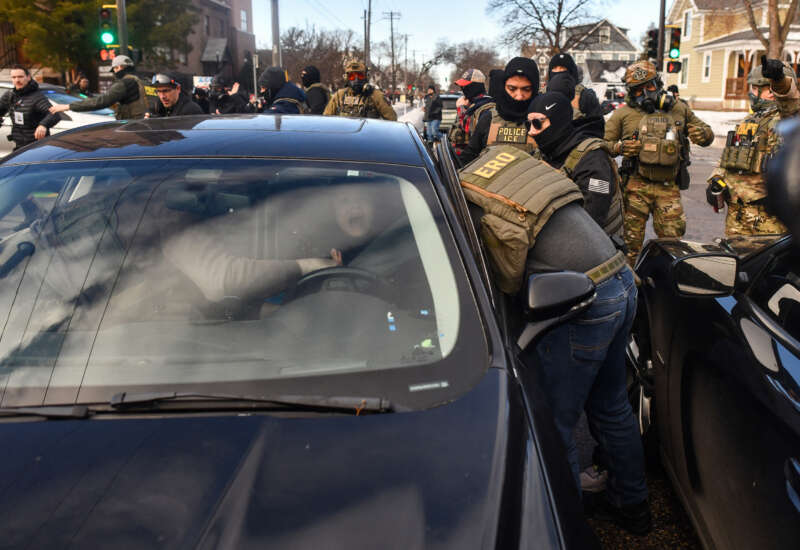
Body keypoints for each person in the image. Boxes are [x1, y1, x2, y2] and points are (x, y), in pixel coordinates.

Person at [459, 144, 650, 535]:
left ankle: (563, 528)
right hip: (620, 277)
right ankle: (634, 507)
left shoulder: (469, 197)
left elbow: (508, 274)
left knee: (554, 423)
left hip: (585, 299)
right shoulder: (505, 162)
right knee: (612, 404)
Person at [604, 60, 714, 265]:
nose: (646, 94)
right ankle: (631, 289)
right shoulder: (623, 114)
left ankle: (666, 285)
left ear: (659, 83)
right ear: (630, 92)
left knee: (672, 246)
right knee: (628, 246)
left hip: (668, 188)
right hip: (635, 188)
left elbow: (706, 134)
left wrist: (703, 134)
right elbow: (603, 143)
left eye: (650, 86)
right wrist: (620, 147)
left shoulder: (679, 109)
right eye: (638, 90)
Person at [706, 57, 799, 236]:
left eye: (757, 89)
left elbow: (790, 101)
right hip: (737, 214)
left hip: (768, 218)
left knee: (768, 264)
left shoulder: (789, 118)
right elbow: (729, 156)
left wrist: (779, 80)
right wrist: (715, 180)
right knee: (738, 262)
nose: (752, 93)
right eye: (752, 88)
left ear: (772, 91)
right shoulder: (749, 120)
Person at [527, 92, 624, 242]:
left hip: (595, 247)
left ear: (557, 121)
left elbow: (591, 219)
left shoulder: (593, 159)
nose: (531, 131)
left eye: (537, 123)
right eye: (529, 123)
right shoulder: (545, 152)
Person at [462, 57, 540, 163]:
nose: (518, 96)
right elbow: (468, 158)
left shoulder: (543, 120)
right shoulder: (488, 118)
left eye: (526, 89)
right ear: (504, 86)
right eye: (512, 89)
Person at [49, 55, 147, 120]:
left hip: (132, 128)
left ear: (120, 67)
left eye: (115, 69)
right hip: (147, 125)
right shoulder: (143, 80)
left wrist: (68, 106)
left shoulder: (124, 83)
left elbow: (101, 101)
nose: (115, 73)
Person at [0, 65, 61, 151]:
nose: (17, 80)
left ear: (28, 77)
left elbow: (55, 114)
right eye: (14, 77)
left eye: (20, 77)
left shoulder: (36, 97)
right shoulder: (10, 95)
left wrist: (43, 125)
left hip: (37, 147)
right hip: (19, 146)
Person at [323, 59, 397, 120]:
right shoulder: (339, 95)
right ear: (346, 78)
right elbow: (326, 120)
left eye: (360, 76)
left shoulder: (376, 95)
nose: (356, 80)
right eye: (352, 76)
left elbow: (392, 119)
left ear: (366, 77)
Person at [449, 68, 495, 164]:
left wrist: (461, 109)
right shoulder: (471, 104)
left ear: (475, 87)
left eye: (465, 87)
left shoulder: (486, 105)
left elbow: (470, 130)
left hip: (474, 162)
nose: (463, 90)